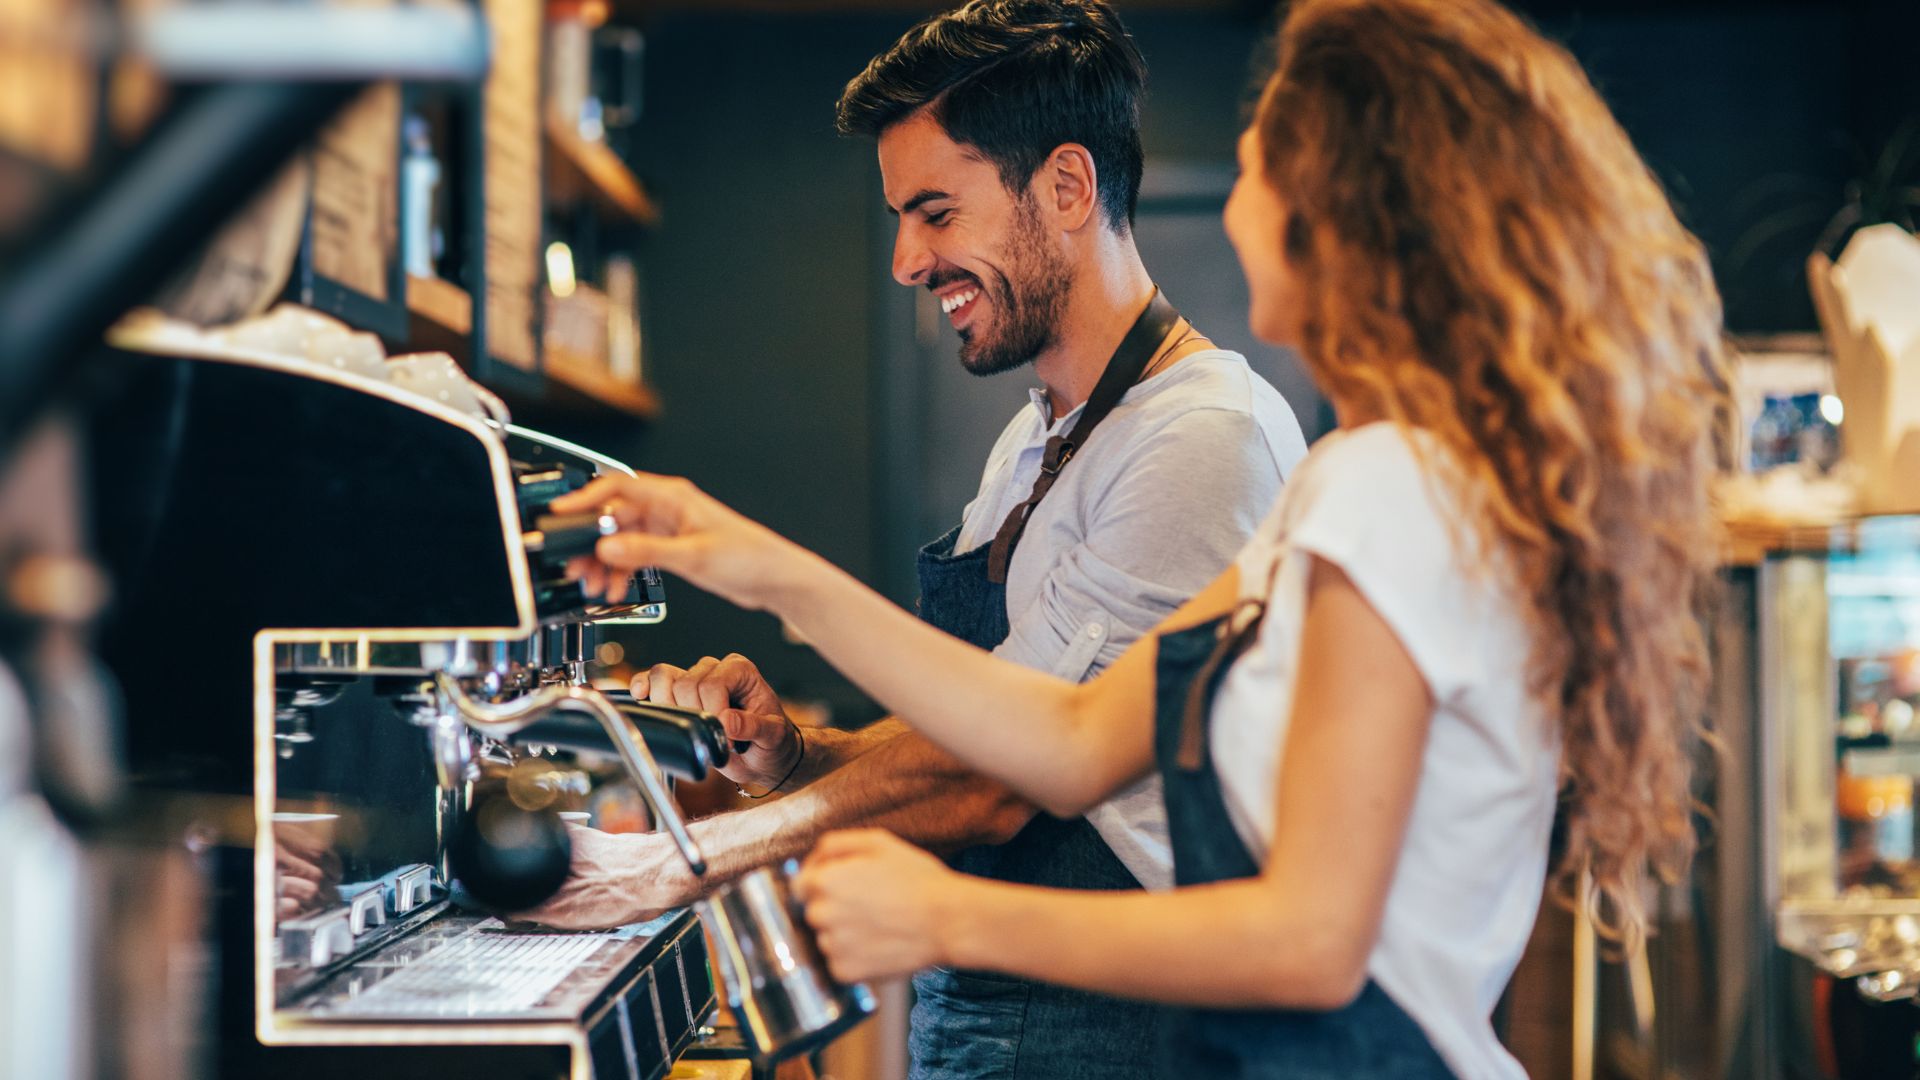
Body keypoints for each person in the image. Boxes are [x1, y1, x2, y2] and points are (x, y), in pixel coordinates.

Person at [551, 0, 1731, 1075]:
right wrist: (749, 569)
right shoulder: (1352, 486)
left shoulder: (1381, 485)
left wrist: (940, 915)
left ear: (1347, 209)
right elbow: (1060, 738)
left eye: (1259, 164)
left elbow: (1315, 942)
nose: (1229, 199)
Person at [525, 2, 1308, 1077]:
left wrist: (683, 859)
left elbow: (1002, 783)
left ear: (1068, 189)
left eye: (935, 213)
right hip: (1002, 1016)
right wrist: (796, 759)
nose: (905, 259)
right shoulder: (1037, 442)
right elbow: (984, 731)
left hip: (1116, 1034)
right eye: (901, 217)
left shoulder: (1200, 437)